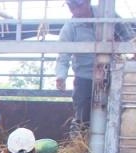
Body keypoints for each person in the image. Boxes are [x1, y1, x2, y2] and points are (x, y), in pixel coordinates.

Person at [56, 0, 135, 132]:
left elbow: (129, 36)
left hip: (112, 74)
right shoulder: (69, 28)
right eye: (71, 7)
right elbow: (63, 55)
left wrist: (132, 50)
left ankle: (111, 146)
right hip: (84, 77)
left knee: (116, 112)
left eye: (78, 6)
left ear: (87, 2)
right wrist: (60, 76)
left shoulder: (107, 15)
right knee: (83, 116)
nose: (75, 11)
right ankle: (80, 146)